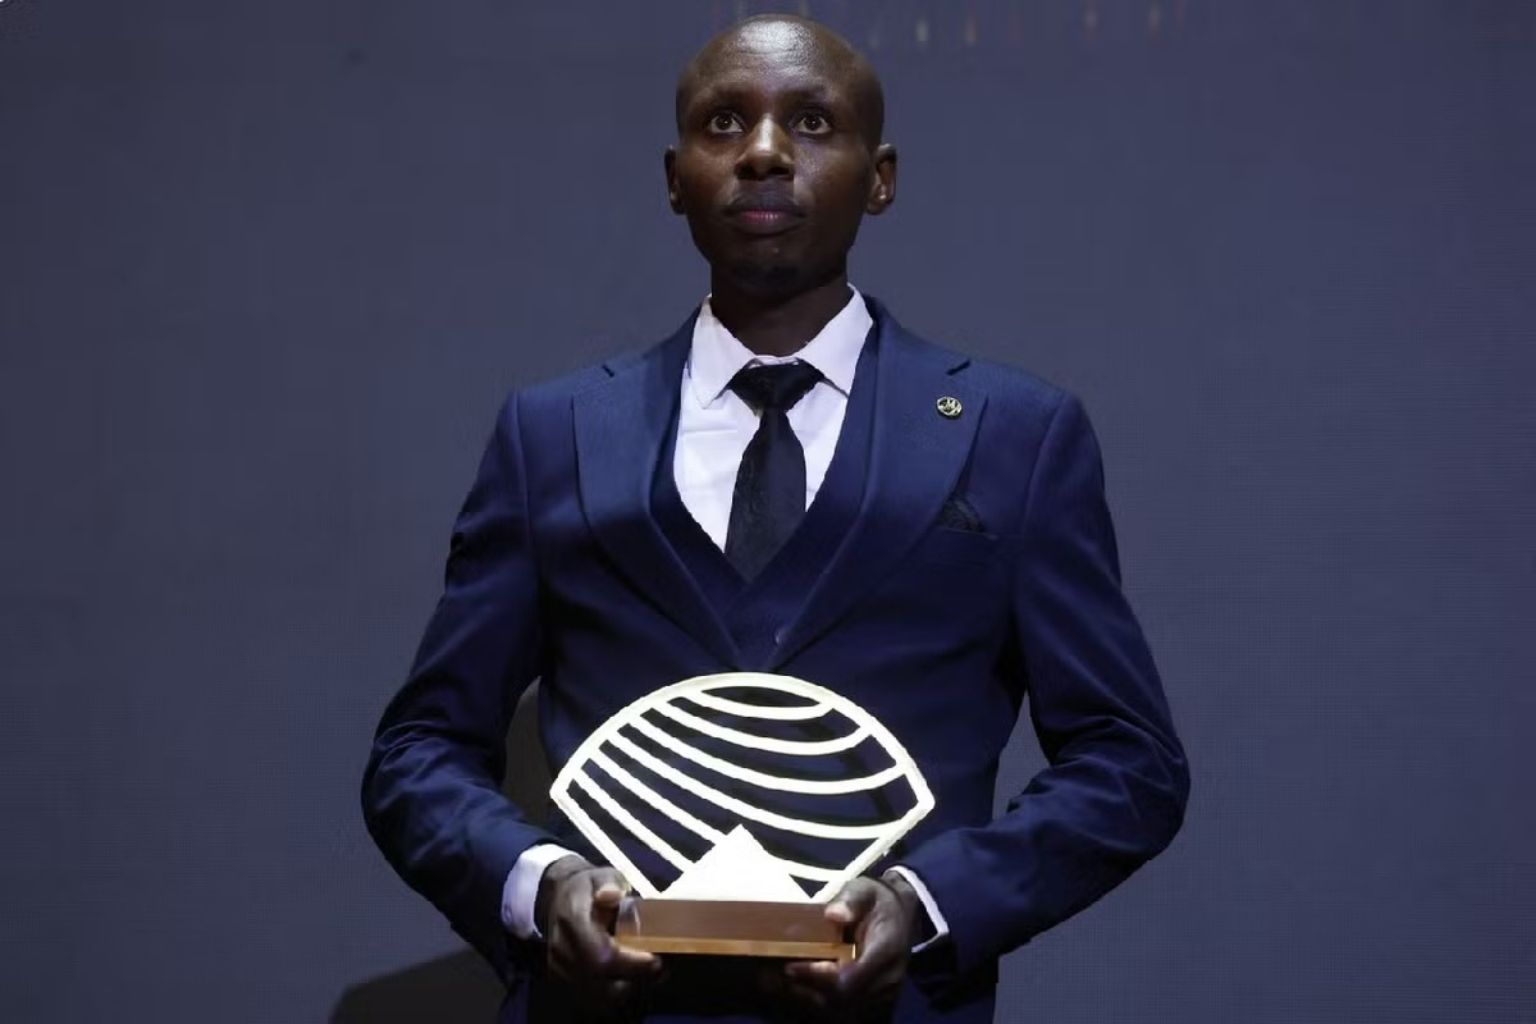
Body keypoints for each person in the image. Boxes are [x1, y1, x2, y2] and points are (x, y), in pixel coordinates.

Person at [362, 14, 1188, 1023]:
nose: (762, 151)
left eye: (810, 121)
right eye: (723, 122)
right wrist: (538, 886)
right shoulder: (556, 435)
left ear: (880, 177)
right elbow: (418, 752)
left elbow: (1129, 761)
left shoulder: (1013, 435)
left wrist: (929, 903)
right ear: (675, 179)